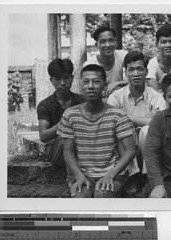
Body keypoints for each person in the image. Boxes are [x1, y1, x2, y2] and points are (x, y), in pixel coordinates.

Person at [57, 63, 136, 198]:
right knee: (81, 198)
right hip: (84, 174)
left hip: (114, 175)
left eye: (96, 82)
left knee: (102, 195)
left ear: (104, 86)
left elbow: (130, 151)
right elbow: (68, 150)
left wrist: (110, 175)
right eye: (86, 82)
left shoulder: (117, 115)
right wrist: (78, 175)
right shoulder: (70, 115)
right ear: (81, 85)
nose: (91, 86)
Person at [107, 50, 166, 196]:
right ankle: (132, 176)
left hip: (150, 143)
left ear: (146, 71)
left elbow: (160, 122)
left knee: (147, 130)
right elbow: (113, 124)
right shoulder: (116, 97)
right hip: (124, 144)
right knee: (125, 130)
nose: (136, 73)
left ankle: (147, 176)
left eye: (140, 69)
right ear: (125, 72)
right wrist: (141, 121)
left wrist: (127, 116)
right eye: (131, 69)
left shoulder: (156, 97)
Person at [36, 58, 85, 186]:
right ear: (51, 80)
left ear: (72, 78)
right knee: (67, 136)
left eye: (66, 78)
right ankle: (72, 176)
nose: (62, 83)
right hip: (56, 152)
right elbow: (43, 136)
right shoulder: (45, 105)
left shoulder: (82, 101)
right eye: (57, 79)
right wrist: (65, 122)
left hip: (83, 149)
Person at [84, 25, 128, 97]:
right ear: (96, 45)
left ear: (115, 42)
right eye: (103, 41)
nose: (108, 45)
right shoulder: (90, 64)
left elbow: (137, 79)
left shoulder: (123, 55)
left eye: (111, 40)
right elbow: (89, 91)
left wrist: (118, 83)